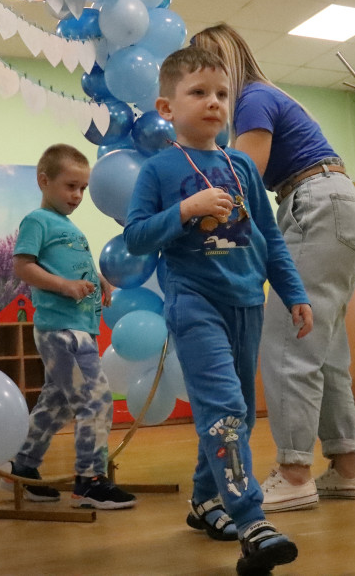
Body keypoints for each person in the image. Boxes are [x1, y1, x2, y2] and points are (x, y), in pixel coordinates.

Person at [124, 46, 312, 575]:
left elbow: (270, 237)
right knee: (224, 407)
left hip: (248, 301)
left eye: (223, 94)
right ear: (167, 107)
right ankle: (252, 521)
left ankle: (206, 502)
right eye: (199, 93)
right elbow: (136, 236)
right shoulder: (160, 170)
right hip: (194, 300)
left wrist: (294, 292)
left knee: (240, 413)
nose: (214, 103)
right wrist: (186, 210)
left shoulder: (242, 167)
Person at [192, 24, 355, 513]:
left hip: (315, 206)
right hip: (335, 206)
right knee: (325, 348)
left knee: (286, 339)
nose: (207, 92)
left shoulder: (251, 99)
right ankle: (347, 468)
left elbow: (239, 182)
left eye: (207, 77)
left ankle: (295, 473)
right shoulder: (267, 96)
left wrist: (204, 237)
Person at [10, 143, 136, 510]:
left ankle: (24, 467)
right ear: (44, 181)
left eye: (82, 188)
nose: (77, 195)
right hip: (63, 329)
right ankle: (89, 480)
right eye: (70, 186)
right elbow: (23, 266)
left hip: (79, 326)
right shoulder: (38, 221)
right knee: (95, 401)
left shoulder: (69, 227)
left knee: (57, 403)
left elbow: (75, 267)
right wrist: (65, 287)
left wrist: (101, 283)